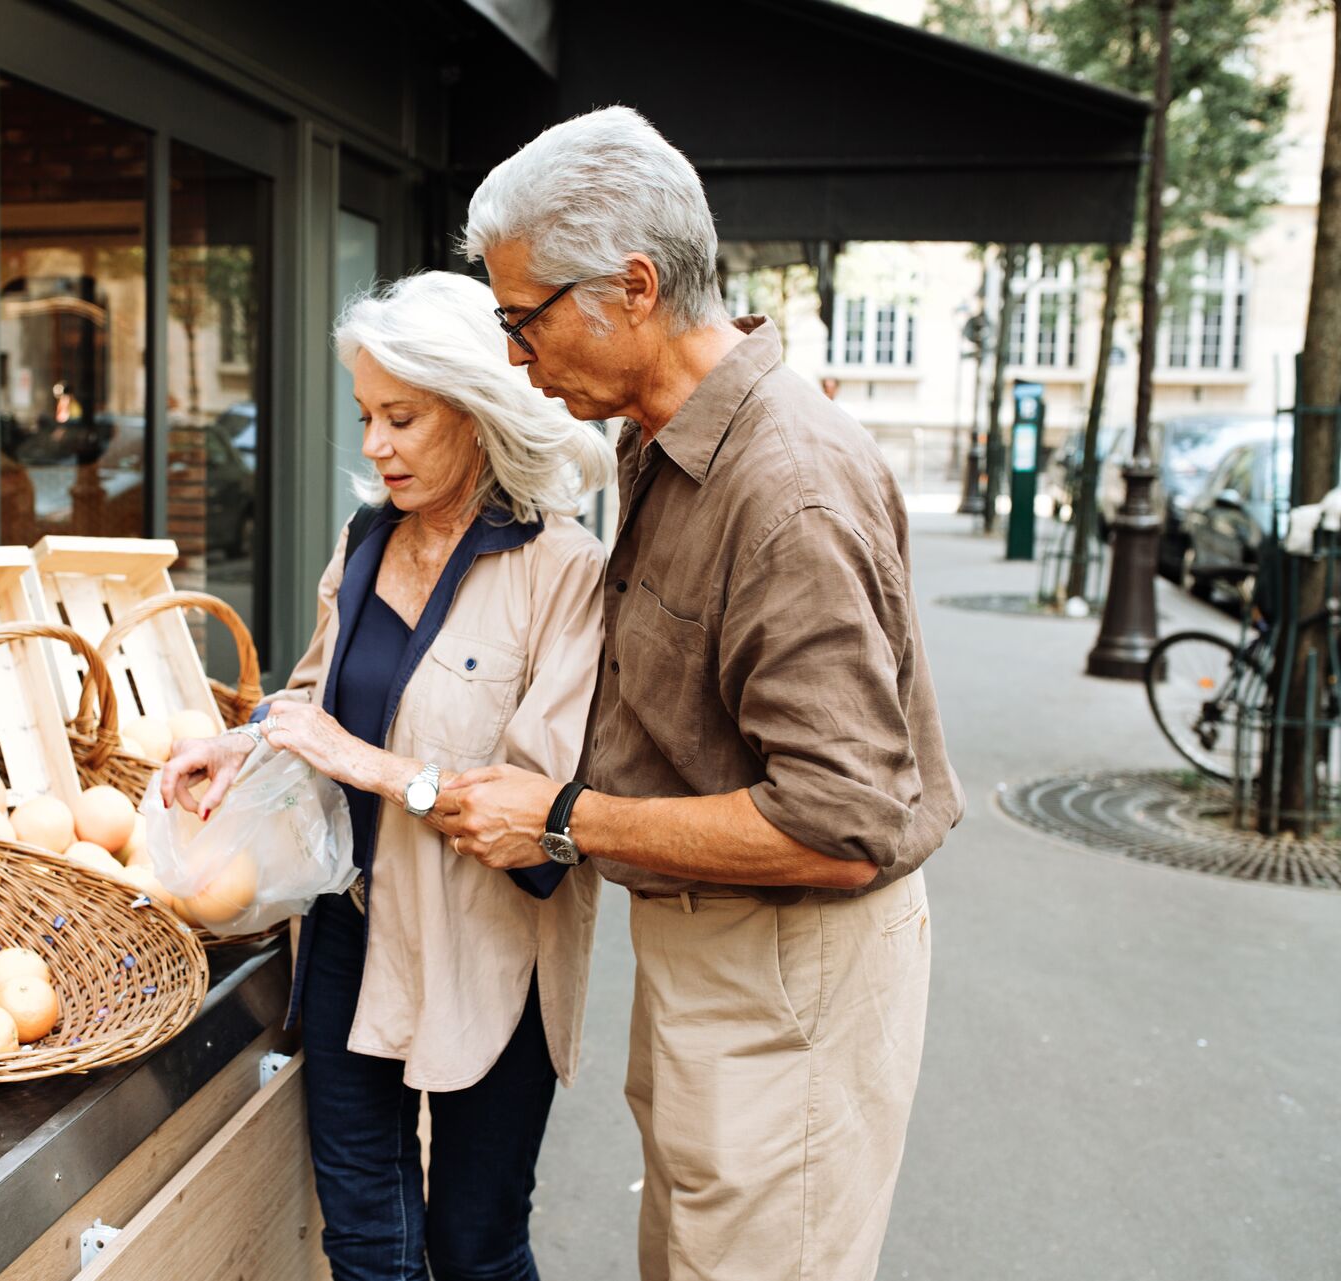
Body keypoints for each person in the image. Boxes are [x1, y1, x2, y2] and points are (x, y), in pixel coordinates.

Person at [441, 106, 964, 1281]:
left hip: (792, 966)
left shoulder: (787, 488)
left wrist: (563, 817)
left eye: (524, 320)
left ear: (631, 288)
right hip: (715, 951)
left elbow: (839, 828)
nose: (516, 356)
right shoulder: (663, 436)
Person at [158, 270, 613, 1281]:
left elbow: (540, 820)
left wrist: (363, 763)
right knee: (365, 1240)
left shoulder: (564, 571)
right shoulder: (367, 541)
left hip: (490, 958)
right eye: (367, 416)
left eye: (401, 418)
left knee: (474, 1245)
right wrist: (246, 743)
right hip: (354, 934)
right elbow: (316, 698)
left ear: (478, 407)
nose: (373, 445)